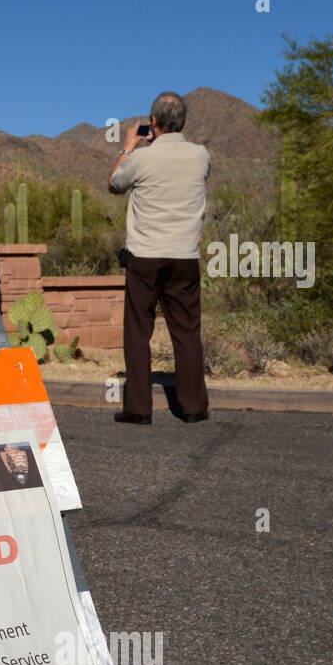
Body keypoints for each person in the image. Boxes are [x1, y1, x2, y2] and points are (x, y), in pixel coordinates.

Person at [108, 91, 211, 424]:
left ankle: (138, 409)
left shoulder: (141, 160)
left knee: (139, 331)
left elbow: (114, 183)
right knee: (186, 331)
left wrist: (129, 147)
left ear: (152, 123)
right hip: (184, 255)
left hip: (145, 256)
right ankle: (194, 407)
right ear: (185, 122)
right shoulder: (201, 156)